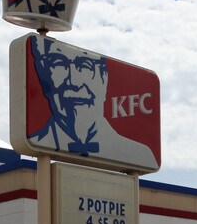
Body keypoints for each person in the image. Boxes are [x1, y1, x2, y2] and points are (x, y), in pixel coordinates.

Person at [28, 35, 158, 170]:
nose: (74, 82)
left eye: (85, 66)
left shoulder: (140, 155)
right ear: (42, 76)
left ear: (104, 79)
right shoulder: (36, 142)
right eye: (58, 64)